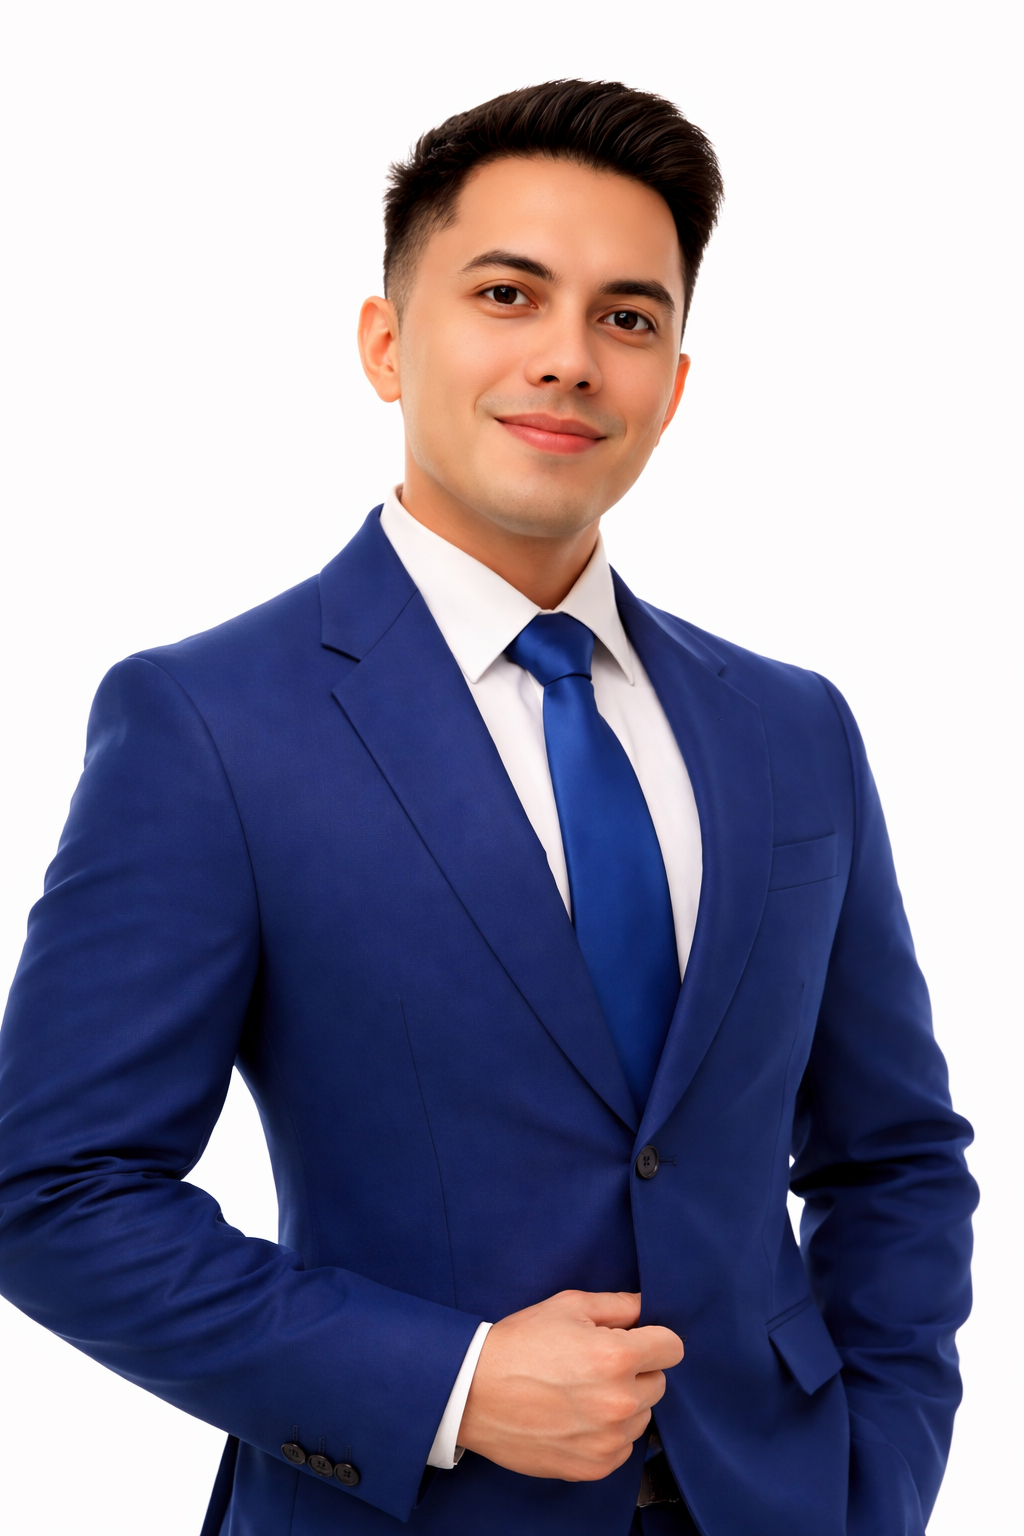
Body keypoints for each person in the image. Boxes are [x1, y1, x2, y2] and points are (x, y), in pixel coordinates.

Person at [0, 79, 977, 1536]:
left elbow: (893, 1157)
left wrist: (875, 1484)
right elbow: (54, 1190)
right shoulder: (207, 724)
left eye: (626, 317)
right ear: (388, 344)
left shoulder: (794, 730)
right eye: (508, 294)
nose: (568, 358)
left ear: (675, 385)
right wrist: (447, 1385)